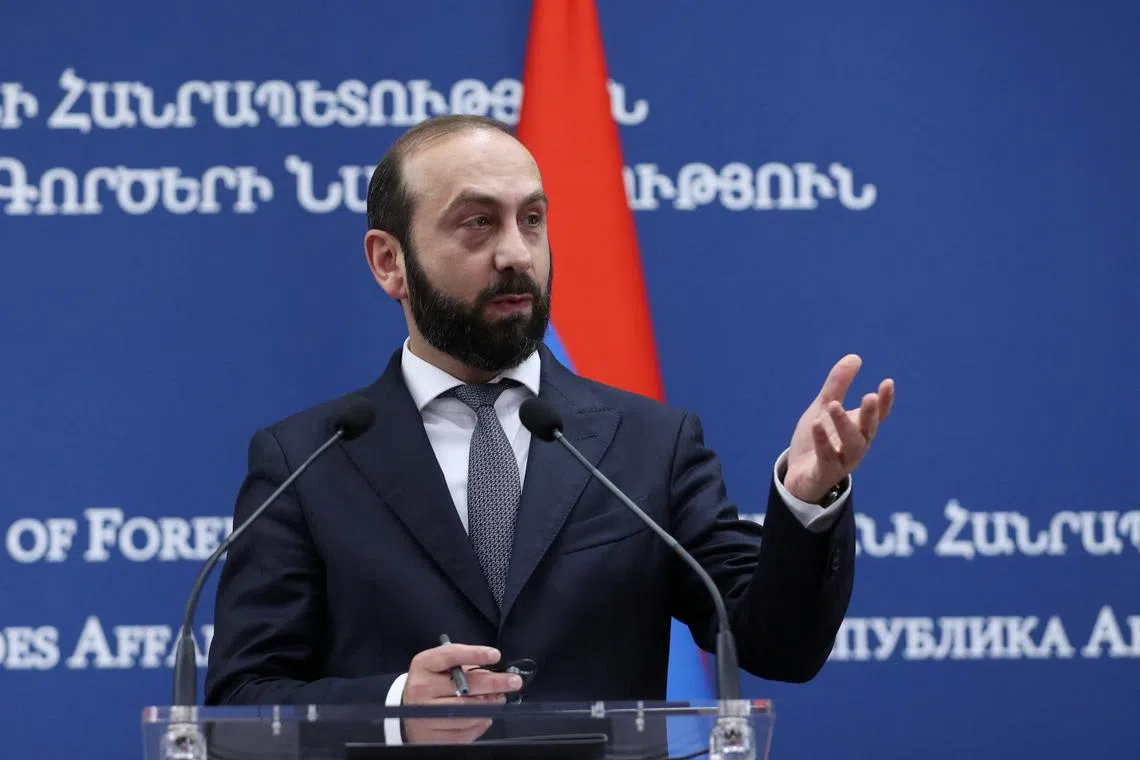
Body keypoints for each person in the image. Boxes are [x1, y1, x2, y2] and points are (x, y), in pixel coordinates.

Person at [203, 115, 894, 724]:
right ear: (391, 262)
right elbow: (241, 703)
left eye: (531, 219)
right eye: (477, 223)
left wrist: (806, 503)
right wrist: (393, 710)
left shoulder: (649, 445)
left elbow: (778, 645)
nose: (515, 253)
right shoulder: (306, 459)